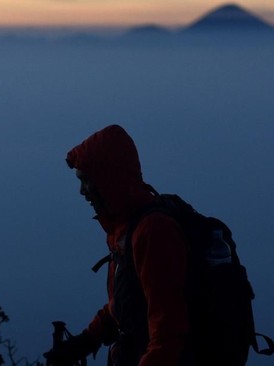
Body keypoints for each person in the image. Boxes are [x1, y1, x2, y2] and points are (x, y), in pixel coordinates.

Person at [44, 125, 190, 366]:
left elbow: (168, 332)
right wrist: (86, 340)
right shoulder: (125, 231)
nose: (82, 192)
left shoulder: (153, 232)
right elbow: (127, 305)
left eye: (85, 181)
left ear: (107, 179)